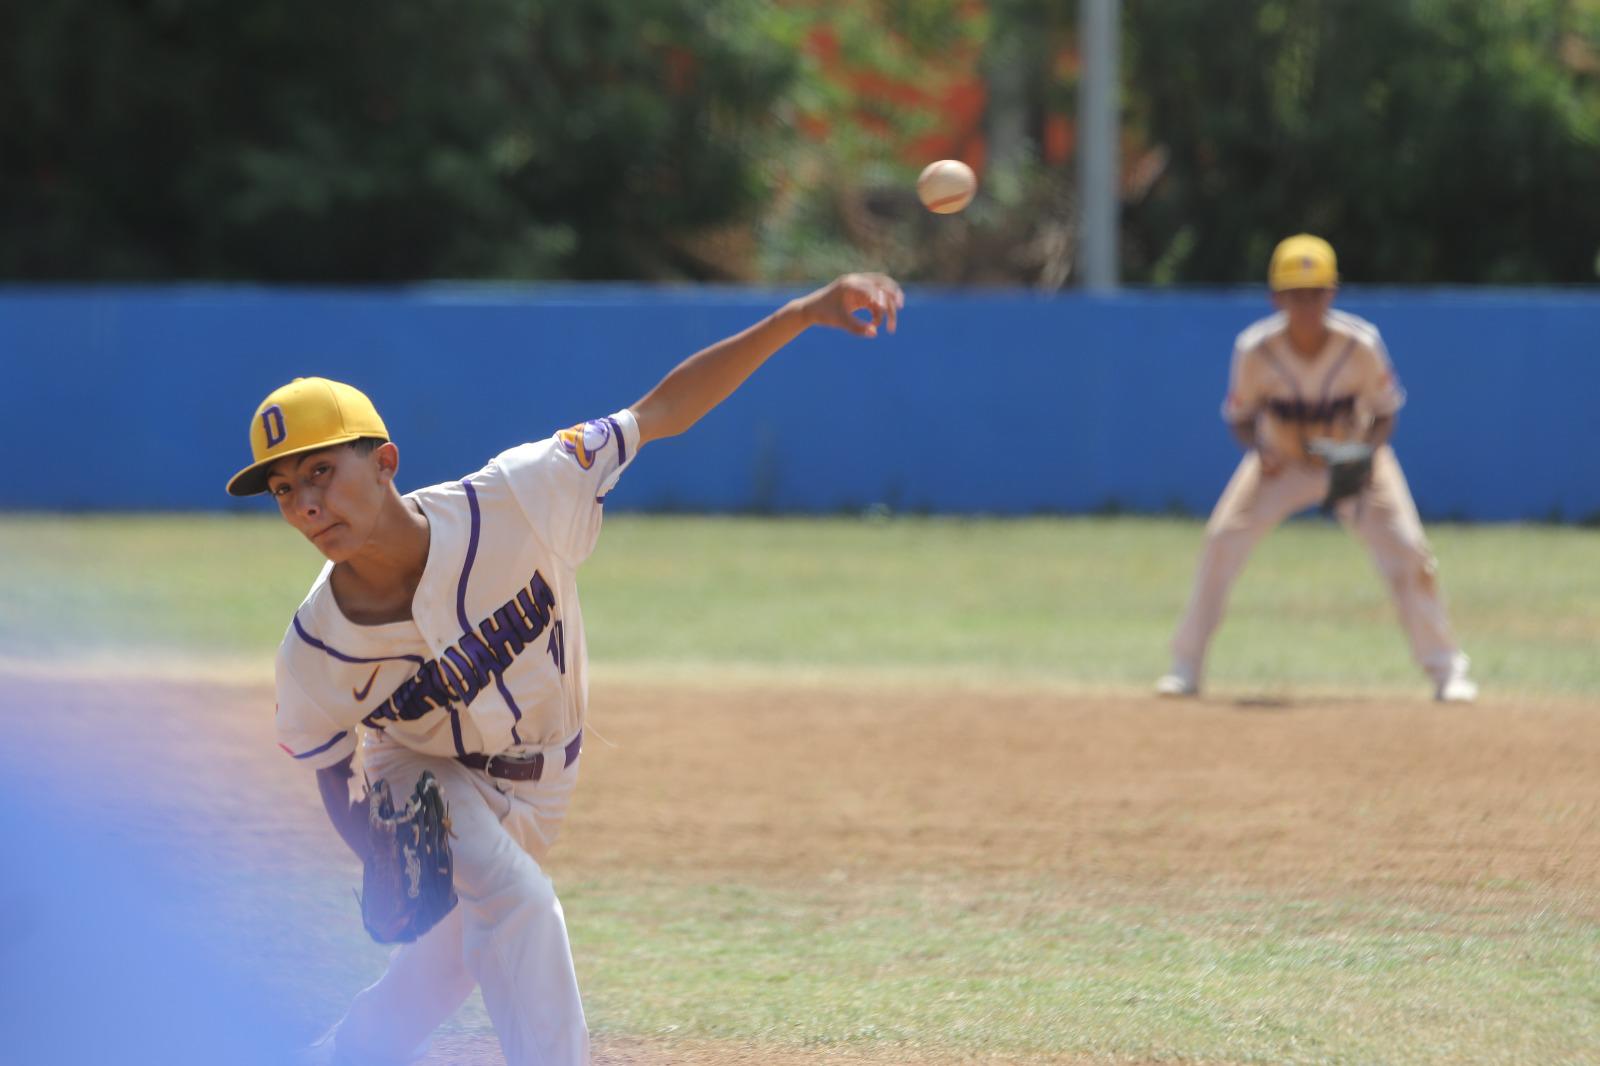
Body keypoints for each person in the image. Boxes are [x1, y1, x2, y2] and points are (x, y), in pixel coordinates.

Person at [225, 274, 904, 1066]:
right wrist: (370, 849)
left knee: (445, 971)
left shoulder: (521, 495)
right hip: (421, 773)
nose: (305, 504)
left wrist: (803, 314)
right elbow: (328, 762)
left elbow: (661, 412)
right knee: (519, 907)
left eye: (320, 473)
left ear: (384, 463)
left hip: (547, 782)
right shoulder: (316, 645)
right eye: (282, 489)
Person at [1154, 235, 1477, 703]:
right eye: (1295, 294)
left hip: (1355, 461)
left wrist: (1366, 453)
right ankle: (1185, 666)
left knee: (1410, 553)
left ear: (1333, 293)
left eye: (1316, 292)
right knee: (1222, 541)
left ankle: (1448, 671)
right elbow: (1240, 418)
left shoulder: (1359, 344)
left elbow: (1386, 411)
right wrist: (1259, 451)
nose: (1306, 304)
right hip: (1280, 463)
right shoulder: (1254, 349)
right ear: (1276, 298)